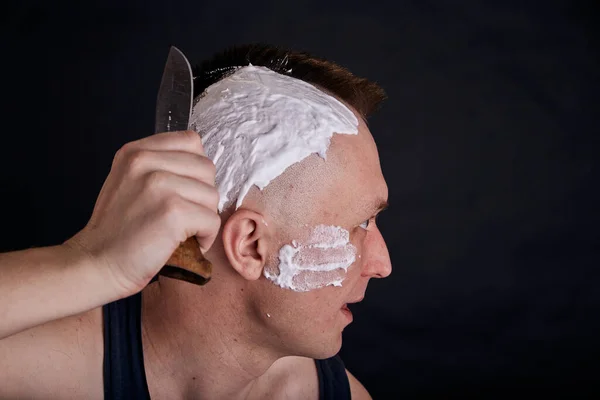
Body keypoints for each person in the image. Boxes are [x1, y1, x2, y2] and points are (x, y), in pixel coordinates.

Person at [0, 44, 391, 399]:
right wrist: (89, 261)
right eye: (363, 223)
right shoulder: (51, 371)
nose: (382, 265)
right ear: (250, 245)